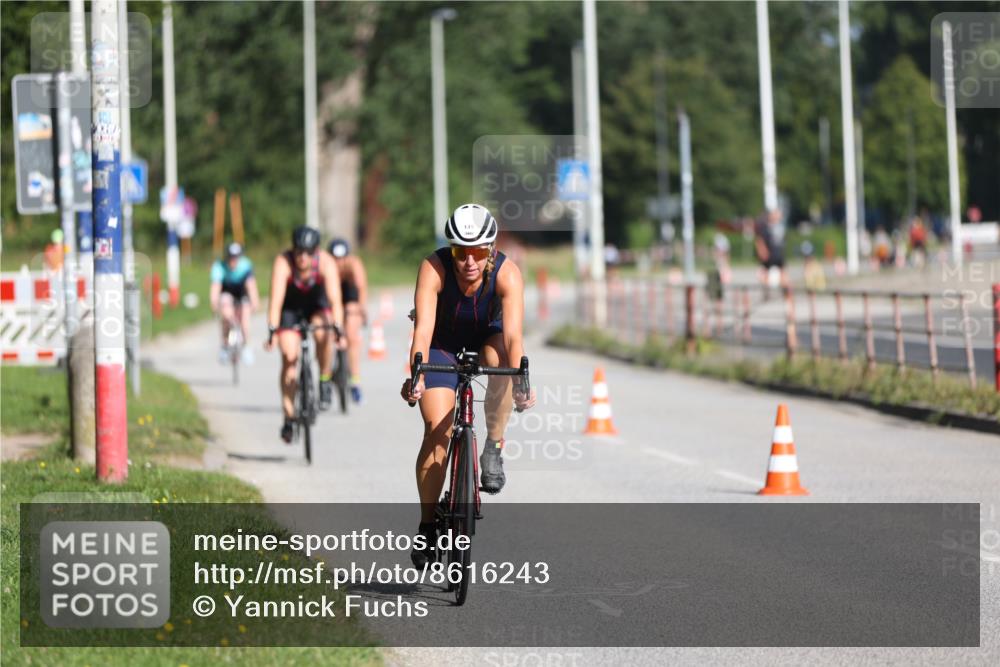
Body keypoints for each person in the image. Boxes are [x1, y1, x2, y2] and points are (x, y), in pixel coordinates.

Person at [400, 204, 536, 567]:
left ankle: (492, 445)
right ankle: (428, 526)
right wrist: (417, 374)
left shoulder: (508, 274)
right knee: (436, 432)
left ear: (491, 250)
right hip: (441, 344)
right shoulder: (433, 267)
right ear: (452, 250)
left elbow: (513, 337)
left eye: (478, 252)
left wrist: (522, 380)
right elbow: (423, 330)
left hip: (488, 338)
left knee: (501, 362)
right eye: (461, 251)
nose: (469, 261)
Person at [265, 226, 344, 443]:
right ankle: (289, 416)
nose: (303, 257)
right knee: (289, 358)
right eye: (299, 251)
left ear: (316, 251)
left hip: (317, 306)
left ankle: (324, 378)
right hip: (290, 309)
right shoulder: (283, 262)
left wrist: (339, 328)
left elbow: (336, 299)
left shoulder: (326, 262)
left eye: (308, 253)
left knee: (324, 333)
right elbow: (276, 300)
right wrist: (272, 330)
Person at [328, 238, 368, 404]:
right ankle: (327, 375)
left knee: (352, 335)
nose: (338, 262)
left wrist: (362, 310)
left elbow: (361, 287)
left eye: (341, 258)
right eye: (334, 259)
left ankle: (355, 382)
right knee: (327, 333)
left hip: (349, 295)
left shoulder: (353, 264)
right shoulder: (327, 266)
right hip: (331, 295)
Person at [210, 242, 260, 364]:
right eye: (231, 257)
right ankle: (225, 345)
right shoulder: (219, 267)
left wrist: (255, 301)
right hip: (227, 291)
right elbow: (216, 288)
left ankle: (246, 347)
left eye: (236, 257)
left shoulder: (245, 265)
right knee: (226, 314)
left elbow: (251, 285)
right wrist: (214, 303)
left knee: (245, 318)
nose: (233, 260)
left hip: (242, 292)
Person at [754, 209, 786, 290]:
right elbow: (759, 240)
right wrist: (762, 251)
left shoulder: (780, 227)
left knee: (783, 275)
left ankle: (786, 295)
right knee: (765, 273)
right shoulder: (765, 227)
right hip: (770, 255)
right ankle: (767, 291)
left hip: (778, 254)